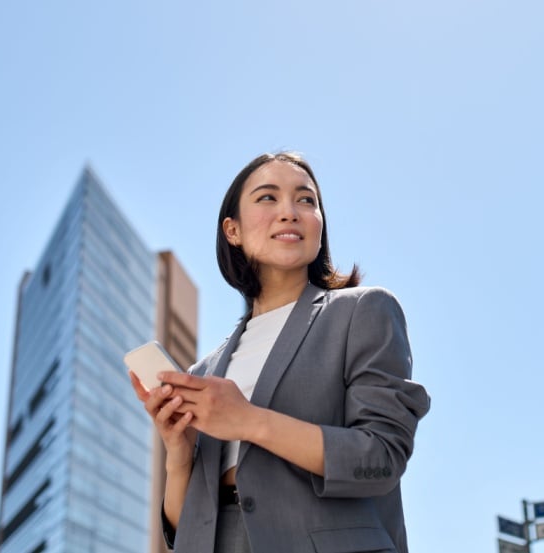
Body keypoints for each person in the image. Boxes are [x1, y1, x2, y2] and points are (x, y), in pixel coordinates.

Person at [129, 151, 430, 553]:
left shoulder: (362, 311)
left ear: (319, 226)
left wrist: (249, 421)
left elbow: (381, 457)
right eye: (268, 197)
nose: (289, 211)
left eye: (306, 200)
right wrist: (180, 453)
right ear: (232, 230)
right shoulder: (204, 370)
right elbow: (186, 530)